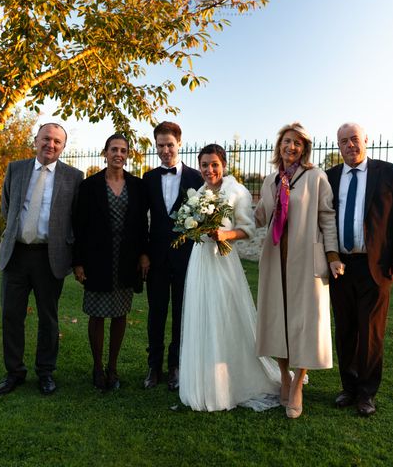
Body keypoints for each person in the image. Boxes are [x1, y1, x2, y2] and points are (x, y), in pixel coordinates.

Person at [179, 144, 282, 412]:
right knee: (202, 315)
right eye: (204, 165)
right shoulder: (198, 193)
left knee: (224, 316)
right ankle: (203, 382)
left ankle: (228, 383)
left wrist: (224, 235)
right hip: (201, 261)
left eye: (214, 164)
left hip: (224, 262)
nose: (209, 169)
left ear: (223, 164)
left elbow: (247, 229)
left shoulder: (236, 192)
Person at [255, 122, 343, 418]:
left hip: (307, 257)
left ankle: (298, 384)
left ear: (304, 148)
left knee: (306, 319)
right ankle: (284, 376)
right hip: (275, 256)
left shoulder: (316, 177)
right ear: (279, 146)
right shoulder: (270, 180)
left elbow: (327, 217)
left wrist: (332, 256)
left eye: (297, 143)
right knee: (276, 316)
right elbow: (257, 216)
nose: (291, 147)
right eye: (286, 142)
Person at [326, 122, 393, 417]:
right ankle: (348, 388)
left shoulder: (389, 172)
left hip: (376, 266)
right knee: (346, 329)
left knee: (371, 332)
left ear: (366, 140)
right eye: (343, 141)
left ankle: (367, 393)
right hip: (340, 266)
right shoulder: (330, 177)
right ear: (338, 146)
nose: (350, 145)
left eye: (354, 139)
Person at [0, 123, 84, 396]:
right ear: (36, 140)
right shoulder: (16, 169)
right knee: (11, 315)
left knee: (49, 318)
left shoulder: (74, 177)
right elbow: (6, 205)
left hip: (50, 257)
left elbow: (76, 218)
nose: (51, 144)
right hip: (17, 254)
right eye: (46, 138)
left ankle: (45, 372)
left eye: (58, 141)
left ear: (63, 147)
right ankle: (14, 372)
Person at [72, 134, 148, 391]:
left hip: (126, 259)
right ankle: (97, 367)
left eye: (123, 150)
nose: (118, 154)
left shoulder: (137, 186)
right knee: (97, 314)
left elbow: (141, 225)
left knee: (119, 313)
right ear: (105, 152)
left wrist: (143, 253)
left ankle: (113, 368)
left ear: (128, 155)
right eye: (114, 149)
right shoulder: (89, 185)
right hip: (97, 258)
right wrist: (78, 262)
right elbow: (79, 226)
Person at [142, 121, 203, 390]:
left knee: (181, 312)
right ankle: (153, 367)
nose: (165, 150)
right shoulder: (149, 178)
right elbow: (138, 221)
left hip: (185, 256)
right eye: (160, 146)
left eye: (169, 145)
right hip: (155, 258)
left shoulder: (196, 178)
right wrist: (143, 253)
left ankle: (176, 366)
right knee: (156, 312)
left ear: (179, 144)